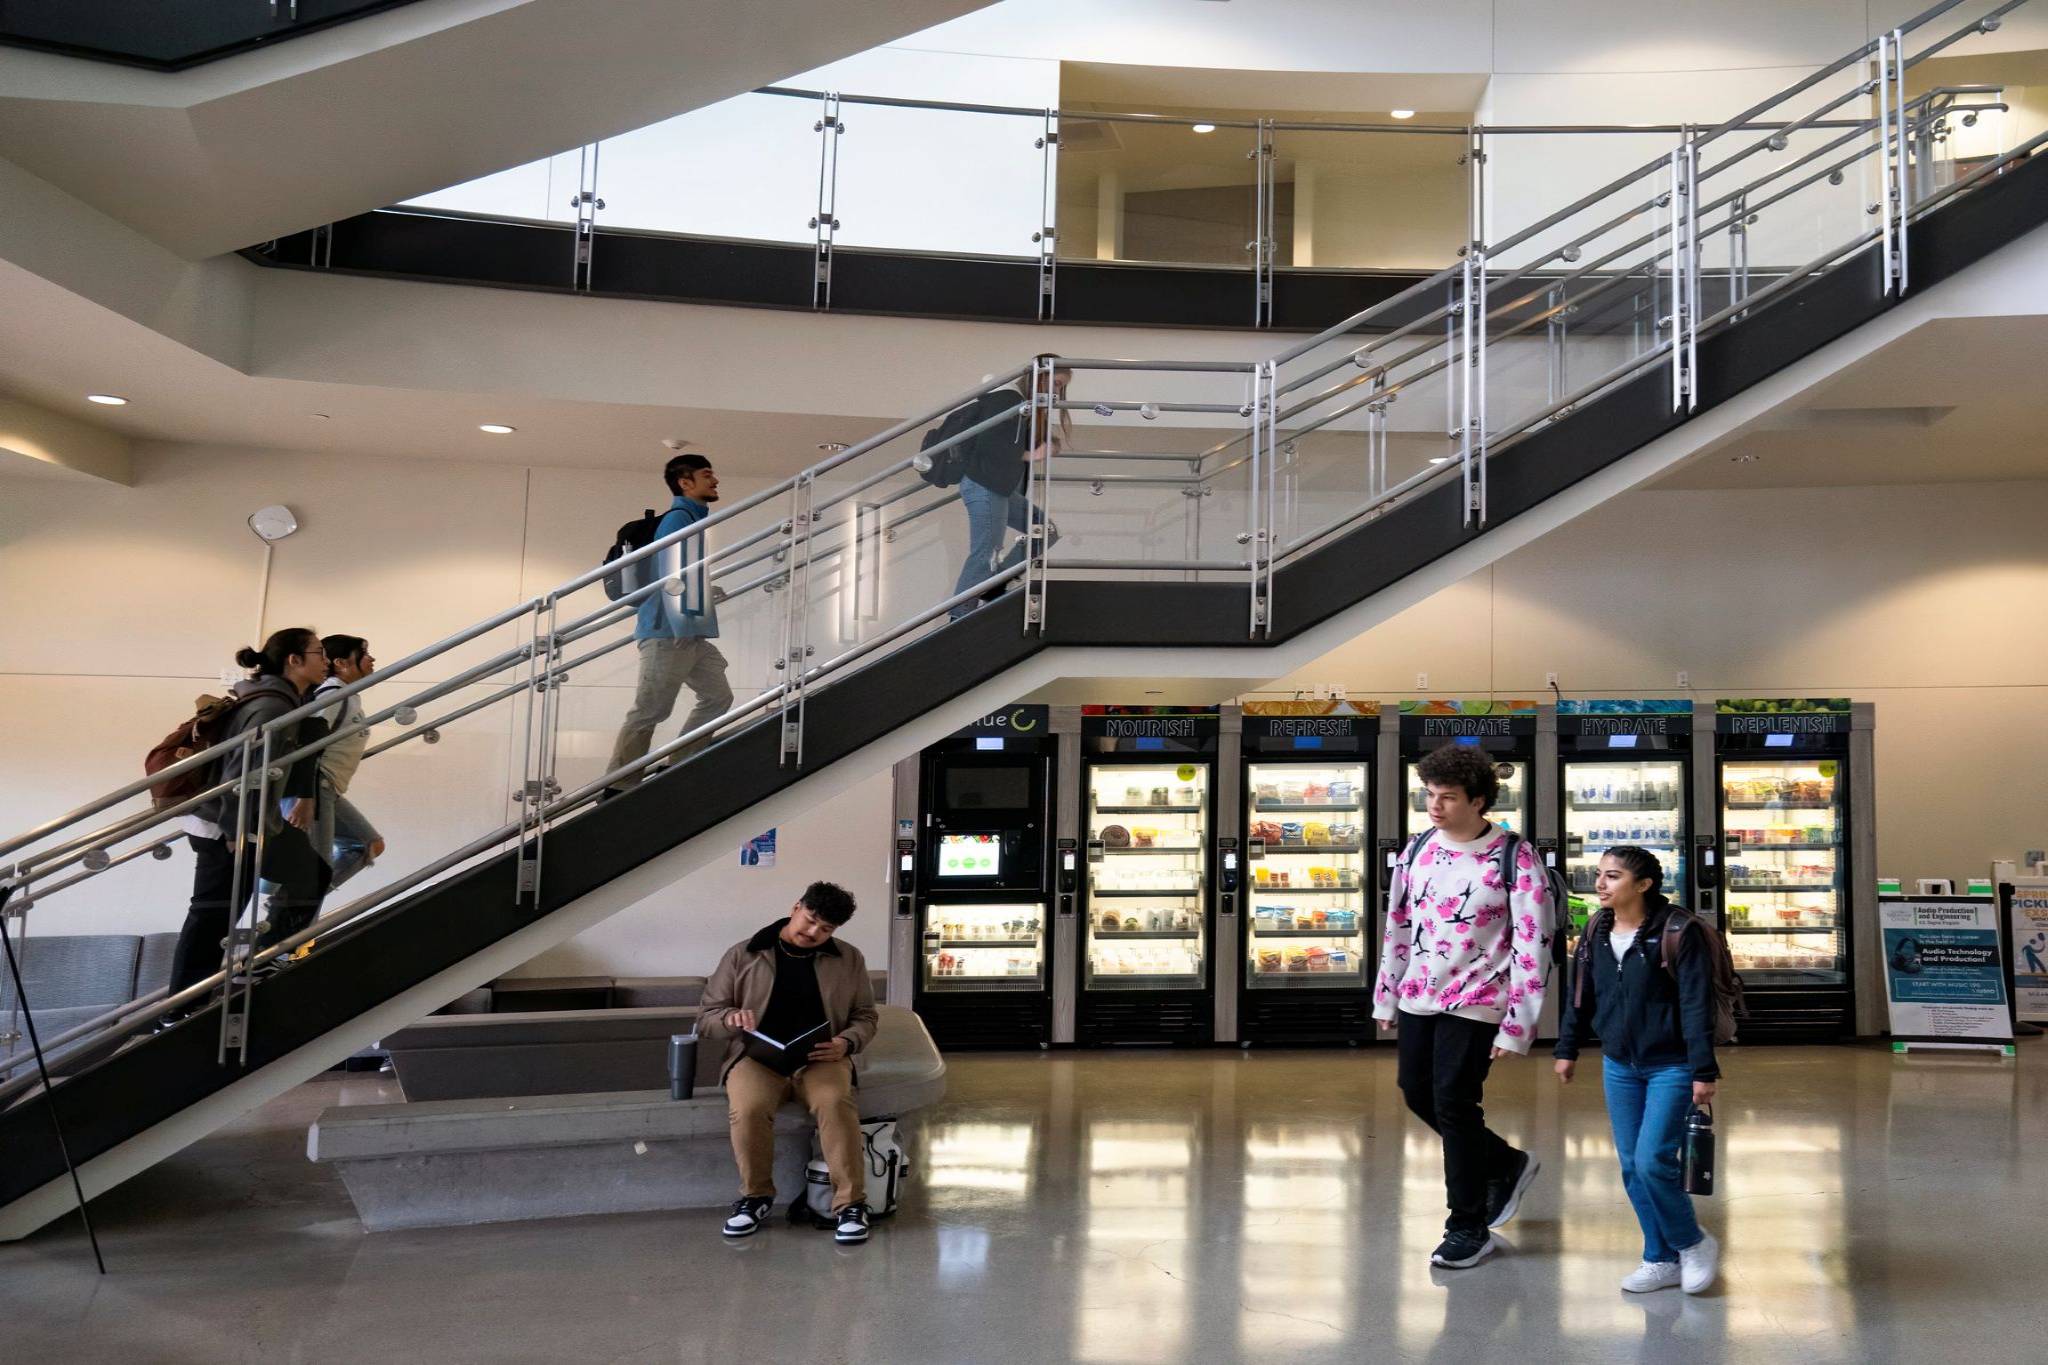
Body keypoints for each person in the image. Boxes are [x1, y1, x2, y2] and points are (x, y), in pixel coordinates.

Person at [1372, 743, 1553, 1269]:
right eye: (1430, 794)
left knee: (1454, 1102)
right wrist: (1388, 994)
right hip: (1419, 994)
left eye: (1447, 797)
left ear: (1479, 801)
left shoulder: (1514, 857)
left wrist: (1518, 1024)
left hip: (1479, 997)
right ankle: (1507, 1163)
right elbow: (1400, 926)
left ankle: (1467, 1225)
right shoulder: (1418, 848)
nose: (1435, 806)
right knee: (1415, 1093)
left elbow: (1532, 941)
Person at [1554, 846, 1721, 1295]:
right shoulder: (1595, 930)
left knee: (1652, 1160)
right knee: (1631, 1165)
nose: (1600, 884)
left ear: (1643, 885)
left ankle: (1693, 1243)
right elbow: (1579, 996)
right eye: (1599, 874)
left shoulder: (1678, 931)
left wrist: (1703, 1071)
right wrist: (1567, 1048)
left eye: (1613, 876)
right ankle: (1660, 1257)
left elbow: (1694, 1004)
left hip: (1673, 1064)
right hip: (1620, 1063)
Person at [698, 882, 879, 1245]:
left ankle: (850, 1205)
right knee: (748, 1108)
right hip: (757, 1058)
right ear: (796, 907)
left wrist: (846, 1042)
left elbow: (866, 1017)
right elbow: (707, 1018)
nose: (813, 932)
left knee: (834, 1102)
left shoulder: (849, 958)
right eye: (810, 920)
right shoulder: (744, 954)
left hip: (821, 1058)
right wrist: (730, 1019)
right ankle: (755, 1197)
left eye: (825, 929)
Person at [169, 629, 330, 1002]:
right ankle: (178, 1010)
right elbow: (240, 776)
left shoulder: (283, 700)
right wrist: (235, 832)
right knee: (212, 917)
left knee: (310, 873)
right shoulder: (272, 707)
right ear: (294, 660)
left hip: (244, 820)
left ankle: (264, 958)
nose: (325, 660)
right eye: (319, 653)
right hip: (225, 823)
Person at [604, 453, 733, 796]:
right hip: (669, 633)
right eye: (707, 475)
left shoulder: (692, 518)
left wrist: (707, 591)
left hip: (689, 633)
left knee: (718, 697)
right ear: (685, 483)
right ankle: (618, 784)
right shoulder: (679, 519)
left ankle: (680, 763)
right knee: (650, 711)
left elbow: (683, 575)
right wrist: (682, 627)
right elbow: (671, 576)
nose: (715, 480)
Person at [948, 358, 1071, 619]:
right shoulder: (1007, 399)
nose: (1057, 392)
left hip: (999, 488)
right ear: (1041, 377)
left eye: (1061, 388)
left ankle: (995, 587)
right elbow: (990, 445)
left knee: (1044, 530)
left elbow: (1015, 442)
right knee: (985, 555)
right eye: (1057, 384)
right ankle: (958, 617)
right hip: (985, 485)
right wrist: (1031, 456)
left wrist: (1049, 444)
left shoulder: (1022, 405)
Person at [313, 635, 385, 890]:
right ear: (341, 662)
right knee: (318, 866)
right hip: (316, 788)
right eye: (364, 653)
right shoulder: (331, 695)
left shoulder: (348, 695)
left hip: (328, 788)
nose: (372, 659)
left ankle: (289, 908)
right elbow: (306, 746)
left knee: (367, 844)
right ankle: (287, 913)